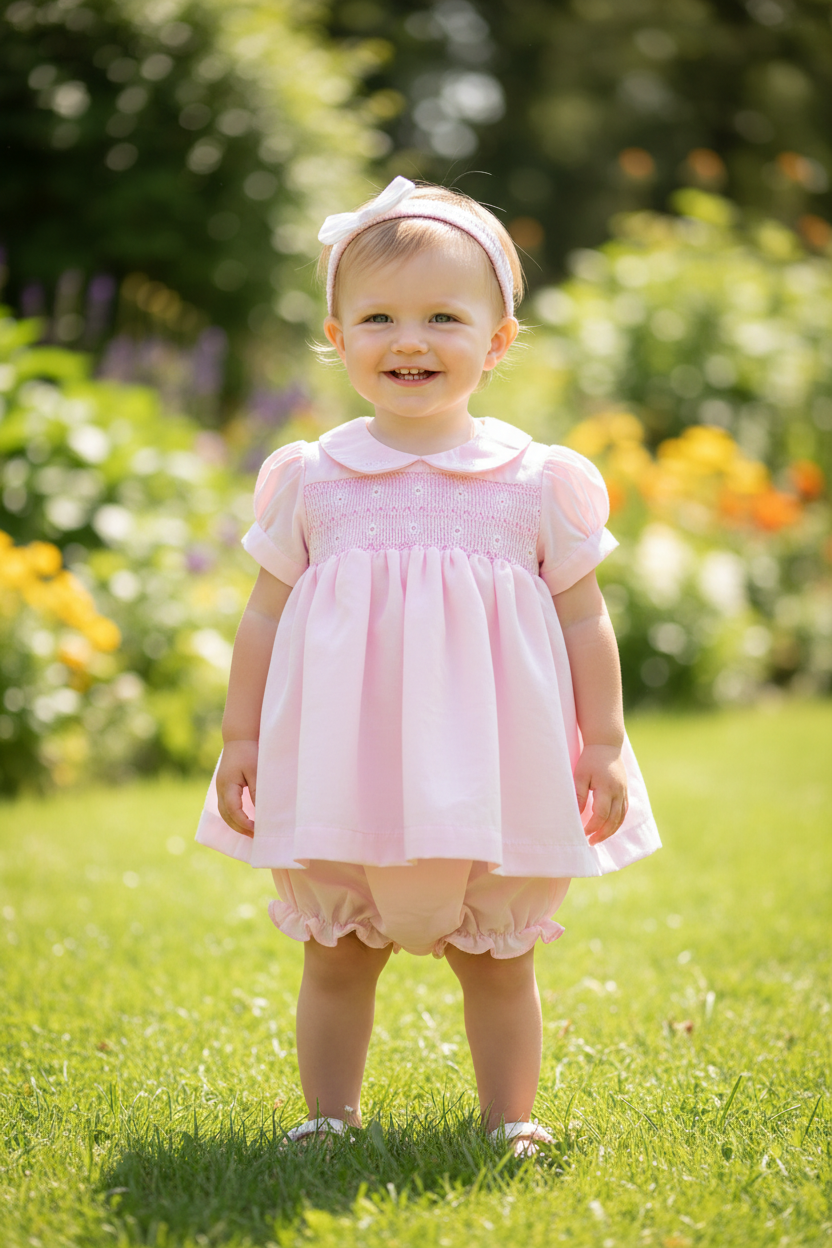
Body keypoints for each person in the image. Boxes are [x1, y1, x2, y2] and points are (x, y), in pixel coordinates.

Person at [196, 177, 660, 1155]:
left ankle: (509, 1122)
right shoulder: (314, 477)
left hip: (492, 774)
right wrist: (240, 736)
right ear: (337, 335)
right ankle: (330, 1116)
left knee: (497, 960)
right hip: (346, 770)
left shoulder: (534, 481)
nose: (409, 340)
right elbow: (264, 613)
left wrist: (606, 742)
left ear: (495, 342)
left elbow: (584, 619)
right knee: (336, 954)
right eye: (379, 318)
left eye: (443, 317)